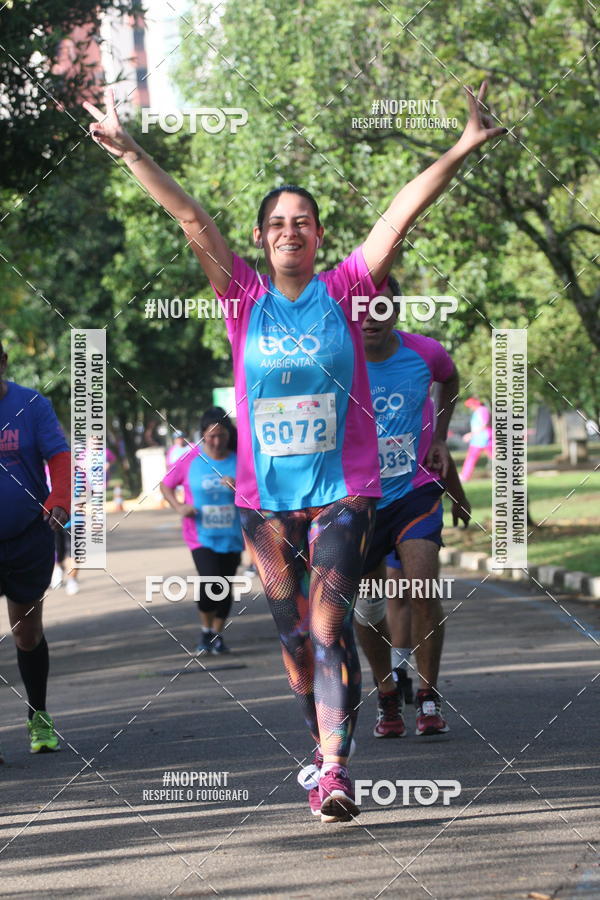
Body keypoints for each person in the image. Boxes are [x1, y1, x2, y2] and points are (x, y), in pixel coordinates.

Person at [85, 82, 506, 822]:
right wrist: (130, 151)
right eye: (277, 223)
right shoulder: (241, 296)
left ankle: (338, 770)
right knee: (293, 642)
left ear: (317, 236)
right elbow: (188, 215)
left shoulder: (346, 289)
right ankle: (319, 749)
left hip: (346, 492)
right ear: (261, 238)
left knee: (327, 625)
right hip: (264, 505)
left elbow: (401, 214)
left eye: (302, 222)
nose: (290, 231)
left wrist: (463, 146)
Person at [354, 278, 464, 738]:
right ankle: (385, 694)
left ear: (397, 310)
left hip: (415, 491)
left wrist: (439, 435)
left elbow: (450, 378)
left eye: (383, 307)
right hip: (357, 498)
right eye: (364, 308)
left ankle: (428, 694)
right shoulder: (335, 360)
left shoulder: (425, 353)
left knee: (422, 587)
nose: (373, 317)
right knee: (368, 606)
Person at [0, 340, 70, 758]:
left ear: (4, 362)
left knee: (26, 633)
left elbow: (58, 455)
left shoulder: (32, 404)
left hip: (28, 534)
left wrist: (59, 497)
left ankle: (38, 715)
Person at [160, 408, 243, 654]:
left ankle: (216, 635)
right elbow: (165, 486)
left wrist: (239, 487)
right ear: (203, 435)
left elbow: (257, 492)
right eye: (211, 436)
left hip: (232, 534)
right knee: (211, 582)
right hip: (200, 535)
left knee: (225, 586)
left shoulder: (241, 459)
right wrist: (179, 506)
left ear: (230, 434)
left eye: (222, 436)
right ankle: (206, 630)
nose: (217, 442)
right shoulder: (190, 459)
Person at [460, 396, 492, 481]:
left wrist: (470, 434)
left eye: (470, 406)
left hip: (485, 438)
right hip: (477, 440)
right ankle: (464, 476)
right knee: (471, 458)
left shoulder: (482, 410)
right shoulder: (477, 411)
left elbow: (484, 425)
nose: (470, 408)